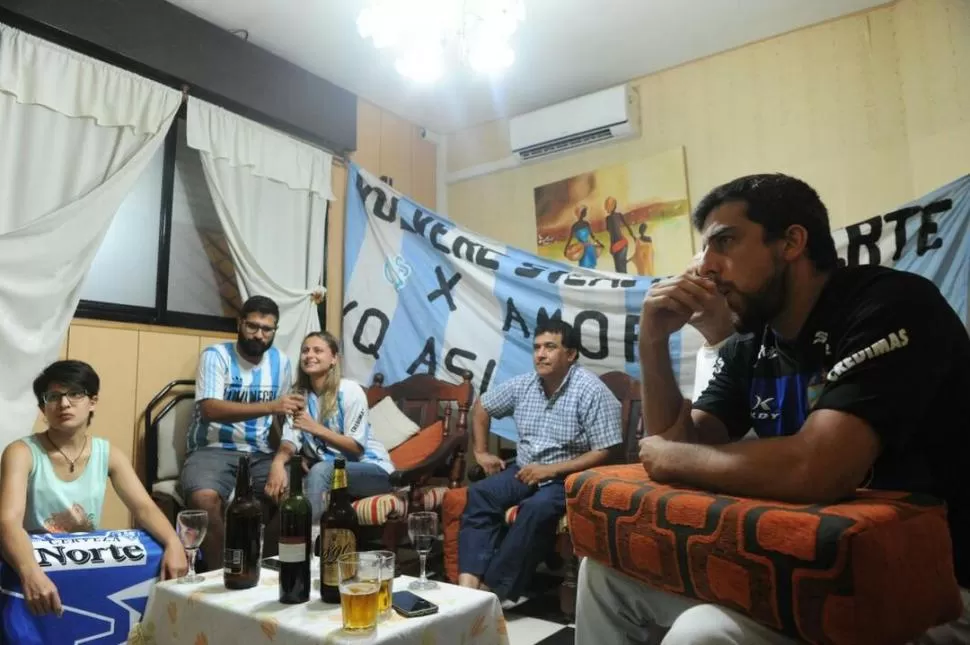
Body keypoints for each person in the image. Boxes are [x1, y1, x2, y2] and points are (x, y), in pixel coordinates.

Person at [576, 173, 970, 644]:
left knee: (702, 634)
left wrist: (672, 456)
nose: (706, 270)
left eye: (724, 242)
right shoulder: (751, 344)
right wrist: (653, 339)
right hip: (811, 563)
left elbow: (818, 468)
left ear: (791, 242)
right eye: (705, 251)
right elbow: (681, 441)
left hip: (933, 587)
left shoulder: (890, 305)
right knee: (603, 578)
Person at [0, 360, 188, 617]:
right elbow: (8, 521)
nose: (64, 404)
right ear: (42, 407)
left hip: (83, 563)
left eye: (75, 394)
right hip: (31, 564)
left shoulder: (107, 453)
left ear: (93, 401)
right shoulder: (21, 452)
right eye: (53, 397)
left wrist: (174, 543)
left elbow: (144, 508)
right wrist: (30, 572)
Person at [458, 320, 622, 603]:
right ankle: (466, 590)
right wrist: (482, 452)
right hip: (525, 470)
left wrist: (550, 470)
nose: (540, 354)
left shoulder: (590, 390)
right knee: (481, 494)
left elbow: (607, 451)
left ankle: (492, 594)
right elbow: (482, 406)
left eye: (550, 347)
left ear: (570, 355)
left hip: (568, 478)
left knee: (537, 509)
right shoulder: (525, 385)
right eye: (536, 348)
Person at [179, 295, 301, 569]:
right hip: (212, 449)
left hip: (259, 452)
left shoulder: (281, 362)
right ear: (240, 324)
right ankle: (223, 573)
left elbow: (291, 417)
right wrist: (271, 405)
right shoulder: (216, 356)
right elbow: (210, 408)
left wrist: (281, 461)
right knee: (203, 499)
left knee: (293, 499)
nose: (259, 335)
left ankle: (263, 568)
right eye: (253, 326)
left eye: (267, 329)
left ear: (274, 331)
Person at [265, 332, 394, 521]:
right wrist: (277, 463)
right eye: (305, 350)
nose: (309, 355)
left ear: (333, 358)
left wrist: (315, 428)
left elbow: (355, 447)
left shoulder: (349, 391)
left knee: (321, 471)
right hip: (330, 472)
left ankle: (312, 539)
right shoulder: (298, 395)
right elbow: (290, 441)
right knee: (286, 477)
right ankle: (276, 543)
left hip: (372, 469)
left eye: (318, 350)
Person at [604, 196, 637, 273]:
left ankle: (625, 283)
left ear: (611, 206)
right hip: (620, 244)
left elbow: (611, 234)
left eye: (606, 205)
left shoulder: (609, 219)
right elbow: (627, 226)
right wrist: (633, 237)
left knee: (620, 269)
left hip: (619, 244)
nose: (605, 208)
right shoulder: (616, 216)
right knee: (621, 268)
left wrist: (634, 237)